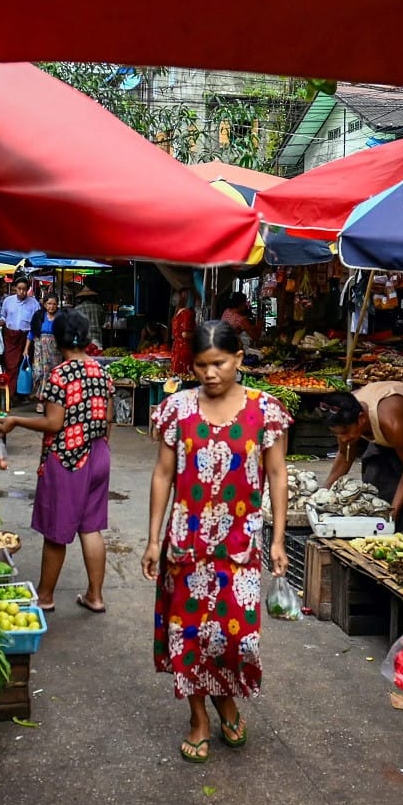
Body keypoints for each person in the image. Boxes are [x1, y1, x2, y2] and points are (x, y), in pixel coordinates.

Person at [142, 320, 292, 764]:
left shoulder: (265, 411)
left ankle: (226, 701)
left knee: (235, 639)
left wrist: (278, 539)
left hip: (241, 547)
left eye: (219, 363)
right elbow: (163, 475)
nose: (210, 374)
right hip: (185, 545)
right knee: (187, 635)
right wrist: (153, 539)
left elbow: (279, 476)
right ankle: (199, 719)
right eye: (201, 365)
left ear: (239, 360)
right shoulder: (178, 408)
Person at [0, 310, 113, 613]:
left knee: (56, 532)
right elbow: (108, 420)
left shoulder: (59, 375)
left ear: (57, 339)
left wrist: (15, 420)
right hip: (99, 455)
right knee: (91, 528)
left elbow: (53, 423)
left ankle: (45, 597)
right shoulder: (102, 372)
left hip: (67, 458)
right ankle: (95, 596)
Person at [318, 381, 403, 532]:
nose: (342, 439)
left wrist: (391, 515)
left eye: (345, 433)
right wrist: (322, 495)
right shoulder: (345, 412)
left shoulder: (391, 422)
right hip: (389, 435)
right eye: (337, 434)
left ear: (362, 419)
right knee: (375, 493)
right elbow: (345, 455)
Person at [0, 277, 41, 398]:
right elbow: (3, 317)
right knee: (11, 365)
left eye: (24, 289)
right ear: (15, 289)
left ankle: (22, 393)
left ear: (28, 290)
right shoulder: (8, 301)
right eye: (19, 289)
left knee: (25, 364)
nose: (22, 292)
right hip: (11, 336)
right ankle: (10, 394)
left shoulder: (34, 303)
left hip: (27, 336)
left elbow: (36, 322)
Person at [26, 294, 61, 413]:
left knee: (52, 375)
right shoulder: (38, 316)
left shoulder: (60, 317)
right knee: (39, 373)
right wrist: (26, 349)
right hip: (39, 348)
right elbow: (31, 333)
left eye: (54, 304)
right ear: (45, 304)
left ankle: (46, 401)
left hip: (55, 350)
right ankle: (39, 399)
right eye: (49, 304)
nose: (51, 306)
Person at [170, 288, 196, 375]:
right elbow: (185, 334)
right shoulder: (187, 313)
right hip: (185, 349)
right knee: (186, 377)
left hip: (176, 348)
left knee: (177, 375)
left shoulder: (177, 313)